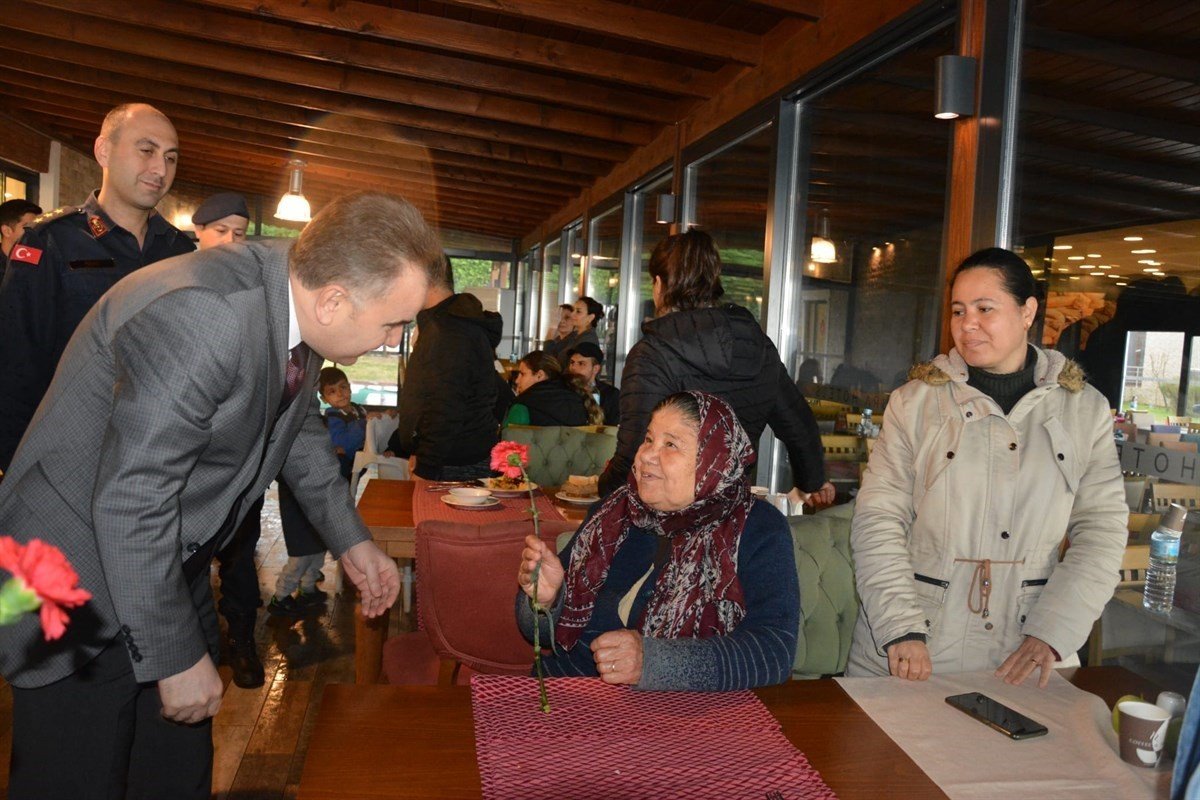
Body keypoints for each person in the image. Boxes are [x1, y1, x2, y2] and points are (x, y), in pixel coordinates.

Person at [0, 191, 439, 799]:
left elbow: (297, 432)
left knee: (173, 770)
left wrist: (353, 540)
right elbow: (133, 497)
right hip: (59, 559)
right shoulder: (205, 313)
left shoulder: (298, 291)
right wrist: (174, 657)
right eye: (394, 322)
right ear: (335, 300)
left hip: (154, 550)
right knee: (75, 775)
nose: (394, 340)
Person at [847, 247, 1127, 687]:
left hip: (1025, 648)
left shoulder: (1084, 409)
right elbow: (879, 519)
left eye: (984, 308)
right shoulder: (915, 402)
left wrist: (1053, 633)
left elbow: (1102, 530)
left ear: (1027, 311)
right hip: (914, 642)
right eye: (958, 310)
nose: (967, 324)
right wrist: (900, 627)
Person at [516, 391, 799, 691]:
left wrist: (652, 662)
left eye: (671, 445)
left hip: (688, 719)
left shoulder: (757, 527)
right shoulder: (614, 513)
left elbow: (774, 650)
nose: (647, 455)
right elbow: (543, 636)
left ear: (714, 459)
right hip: (572, 695)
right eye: (649, 439)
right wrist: (545, 602)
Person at [0, 103, 194, 471]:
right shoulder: (51, 242)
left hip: (151, 463)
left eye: (171, 158)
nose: (160, 169)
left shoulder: (178, 251)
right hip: (64, 461)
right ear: (103, 151)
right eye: (147, 150)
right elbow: (15, 367)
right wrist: (19, 471)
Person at [598, 230, 832, 511]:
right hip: (730, 515)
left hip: (663, 517)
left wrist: (603, 493)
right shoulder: (757, 346)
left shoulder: (652, 353)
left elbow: (635, 451)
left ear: (659, 284)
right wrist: (811, 481)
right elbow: (799, 425)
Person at [387, 255, 502, 480]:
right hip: (447, 455)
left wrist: (427, 464)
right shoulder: (444, 323)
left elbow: (445, 405)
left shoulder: (450, 330)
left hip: (453, 460)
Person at [268, 367, 367, 617]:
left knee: (318, 547)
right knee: (301, 554)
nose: (341, 394)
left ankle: (308, 588)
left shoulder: (352, 412)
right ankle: (281, 596)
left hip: (322, 499)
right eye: (332, 391)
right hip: (299, 503)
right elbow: (346, 444)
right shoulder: (331, 420)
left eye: (343, 387)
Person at [503, 350, 602, 427]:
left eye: (522, 374)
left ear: (539, 375)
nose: (517, 380)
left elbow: (507, 448)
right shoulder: (579, 400)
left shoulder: (522, 407)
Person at [566, 341, 620, 424]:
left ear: (595, 369)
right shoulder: (562, 390)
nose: (573, 367)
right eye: (572, 362)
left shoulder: (611, 395)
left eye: (581, 363)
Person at [545, 295, 602, 363]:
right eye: (573, 310)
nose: (572, 315)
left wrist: (552, 328)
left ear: (590, 317)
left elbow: (550, 362)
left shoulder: (587, 341)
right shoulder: (577, 336)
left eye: (578, 311)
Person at [0, 198, 41, 280]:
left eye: (37, 226)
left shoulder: (39, 259)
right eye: (28, 227)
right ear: (7, 231)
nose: (35, 232)